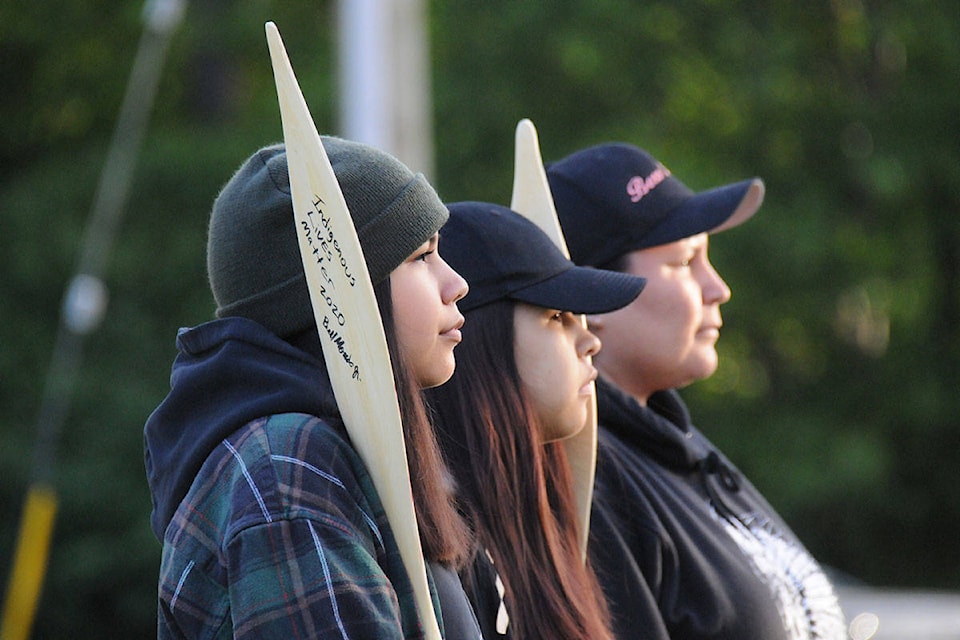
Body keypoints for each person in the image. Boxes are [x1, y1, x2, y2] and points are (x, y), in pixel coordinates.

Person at [143, 140, 483, 638]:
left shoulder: (318, 453)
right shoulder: (287, 472)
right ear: (335, 296)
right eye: (421, 256)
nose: (456, 283)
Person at [546, 143, 848, 640]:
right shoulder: (588, 481)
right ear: (594, 293)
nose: (718, 288)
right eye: (686, 262)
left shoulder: (675, 445)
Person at [424, 202, 647, 640]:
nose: (589, 340)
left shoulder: (529, 524)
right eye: (557, 317)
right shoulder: (433, 553)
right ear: (478, 341)